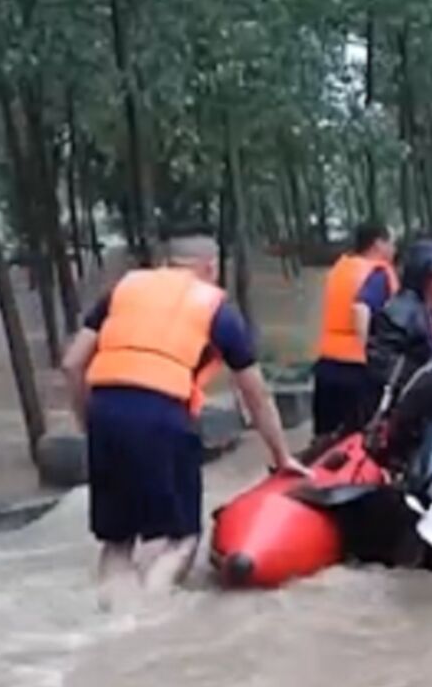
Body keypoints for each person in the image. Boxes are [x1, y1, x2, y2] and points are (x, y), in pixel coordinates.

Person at [61, 227, 305, 608]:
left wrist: (88, 423)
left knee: (118, 540)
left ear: (166, 263)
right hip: (162, 416)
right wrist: (282, 457)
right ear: (210, 267)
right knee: (181, 537)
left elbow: (73, 363)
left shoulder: (123, 290)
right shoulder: (217, 310)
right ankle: (149, 616)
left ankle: (107, 617)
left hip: (105, 411)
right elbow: (256, 394)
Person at [312, 221, 398, 437]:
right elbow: (361, 308)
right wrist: (368, 349)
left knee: (325, 441)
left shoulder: (341, 269)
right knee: (358, 443)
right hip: (358, 371)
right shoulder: (377, 275)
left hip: (327, 365)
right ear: (378, 244)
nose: (395, 250)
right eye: (392, 243)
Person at [366, 238, 432, 399]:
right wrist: (429, 380)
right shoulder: (398, 315)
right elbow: (383, 370)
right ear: (425, 275)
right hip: (407, 411)